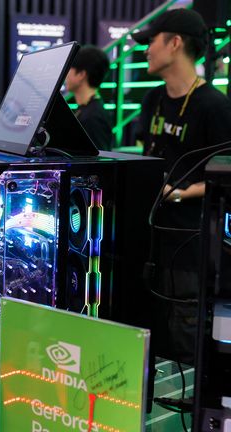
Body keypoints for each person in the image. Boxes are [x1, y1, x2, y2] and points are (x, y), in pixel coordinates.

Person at [134, 8, 231, 362]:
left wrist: (180, 193)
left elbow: (224, 180)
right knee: (153, 330)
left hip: (191, 242)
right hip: (153, 238)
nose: (146, 50)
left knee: (185, 334)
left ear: (174, 43)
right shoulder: (153, 100)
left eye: (152, 42)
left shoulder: (214, 106)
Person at [64, 45, 114, 150]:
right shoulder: (86, 109)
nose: (66, 74)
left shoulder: (93, 117)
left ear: (81, 74)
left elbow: (99, 162)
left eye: (69, 68)